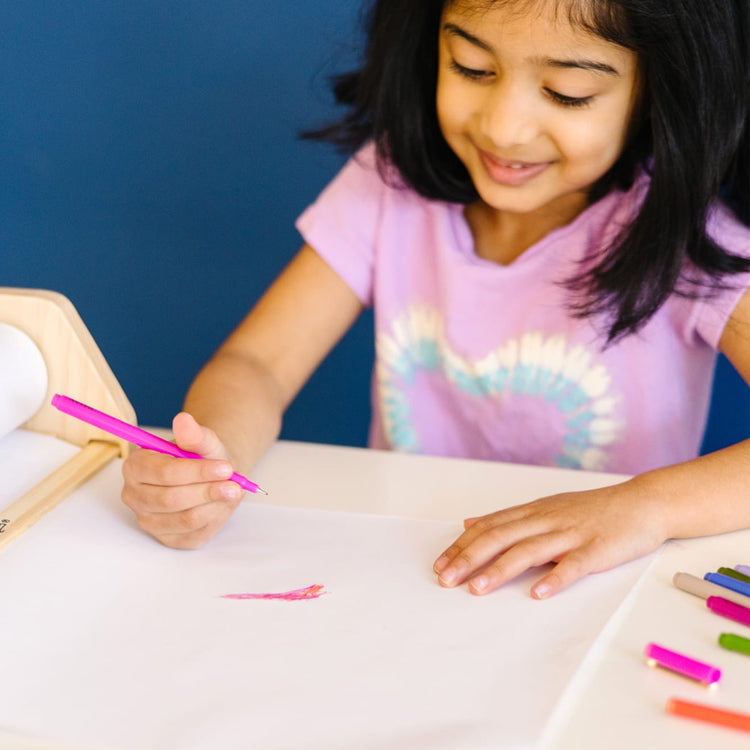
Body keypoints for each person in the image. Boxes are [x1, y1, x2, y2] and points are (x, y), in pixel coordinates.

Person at [121, 0, 750, 599]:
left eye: (567, 92)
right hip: (400, 578)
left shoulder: (691, 238)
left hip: (589, 600)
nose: (503, 126)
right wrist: (208, 462)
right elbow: (257, 363)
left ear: (661, 88)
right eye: (472, 68)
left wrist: (645, 507)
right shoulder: (388, 185)